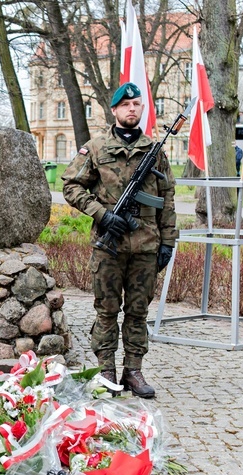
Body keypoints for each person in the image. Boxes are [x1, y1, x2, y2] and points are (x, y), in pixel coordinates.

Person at [61, 82, 178, 399]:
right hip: (108, 247)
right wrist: (101, 214)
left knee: (138, 313)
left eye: (137, 104)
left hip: (145, 247)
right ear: (114, 110)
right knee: (107, 311)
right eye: (125, 105)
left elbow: (166, 199)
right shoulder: (96, 148)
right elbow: (71, 186)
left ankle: (133, 371)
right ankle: (106, 371)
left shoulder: (155, 151)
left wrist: (168, 241)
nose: (132, 109)